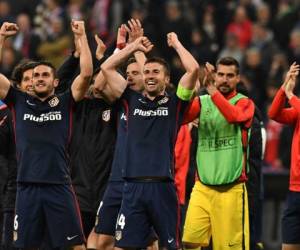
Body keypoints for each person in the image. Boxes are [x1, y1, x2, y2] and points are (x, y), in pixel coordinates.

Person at [101, 32, 199, 249]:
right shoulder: (130, 99)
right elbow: (106, 68)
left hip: (162, 187)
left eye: (156, 72)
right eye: (146, 72)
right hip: (132, 187)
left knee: (170, 246)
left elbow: (193, 70)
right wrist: (133, 47)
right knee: (123, 246)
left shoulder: (176, 103)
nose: (150, 76)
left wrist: (176, 44)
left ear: (166, 79)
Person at [0, 20, 92, 250]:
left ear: (56, 81)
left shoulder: (64, 102)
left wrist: (82, 37)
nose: (39, 78)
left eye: (44, 75)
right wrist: (1, 38)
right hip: (26, 188)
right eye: (36, 75)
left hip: (59, 186)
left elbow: (87, 73)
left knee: (76, 246)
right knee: (24, 246)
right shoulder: (19, 101)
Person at [182, 57, 255, 250]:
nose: (224, 79)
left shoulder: (245, 103)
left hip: (231, 189)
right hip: (202, 187)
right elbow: (180, 117)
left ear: (238, 78)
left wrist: (211, 90)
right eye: (220, 74)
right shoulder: (203, 101)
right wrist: (192, 86)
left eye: (230, 75)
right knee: (189, 243)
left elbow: (234, 116)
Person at [268, 62, 300, 250]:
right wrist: (283, 88)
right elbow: (274, 113)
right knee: (288, 246)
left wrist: (290, 95)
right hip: (295, 189)